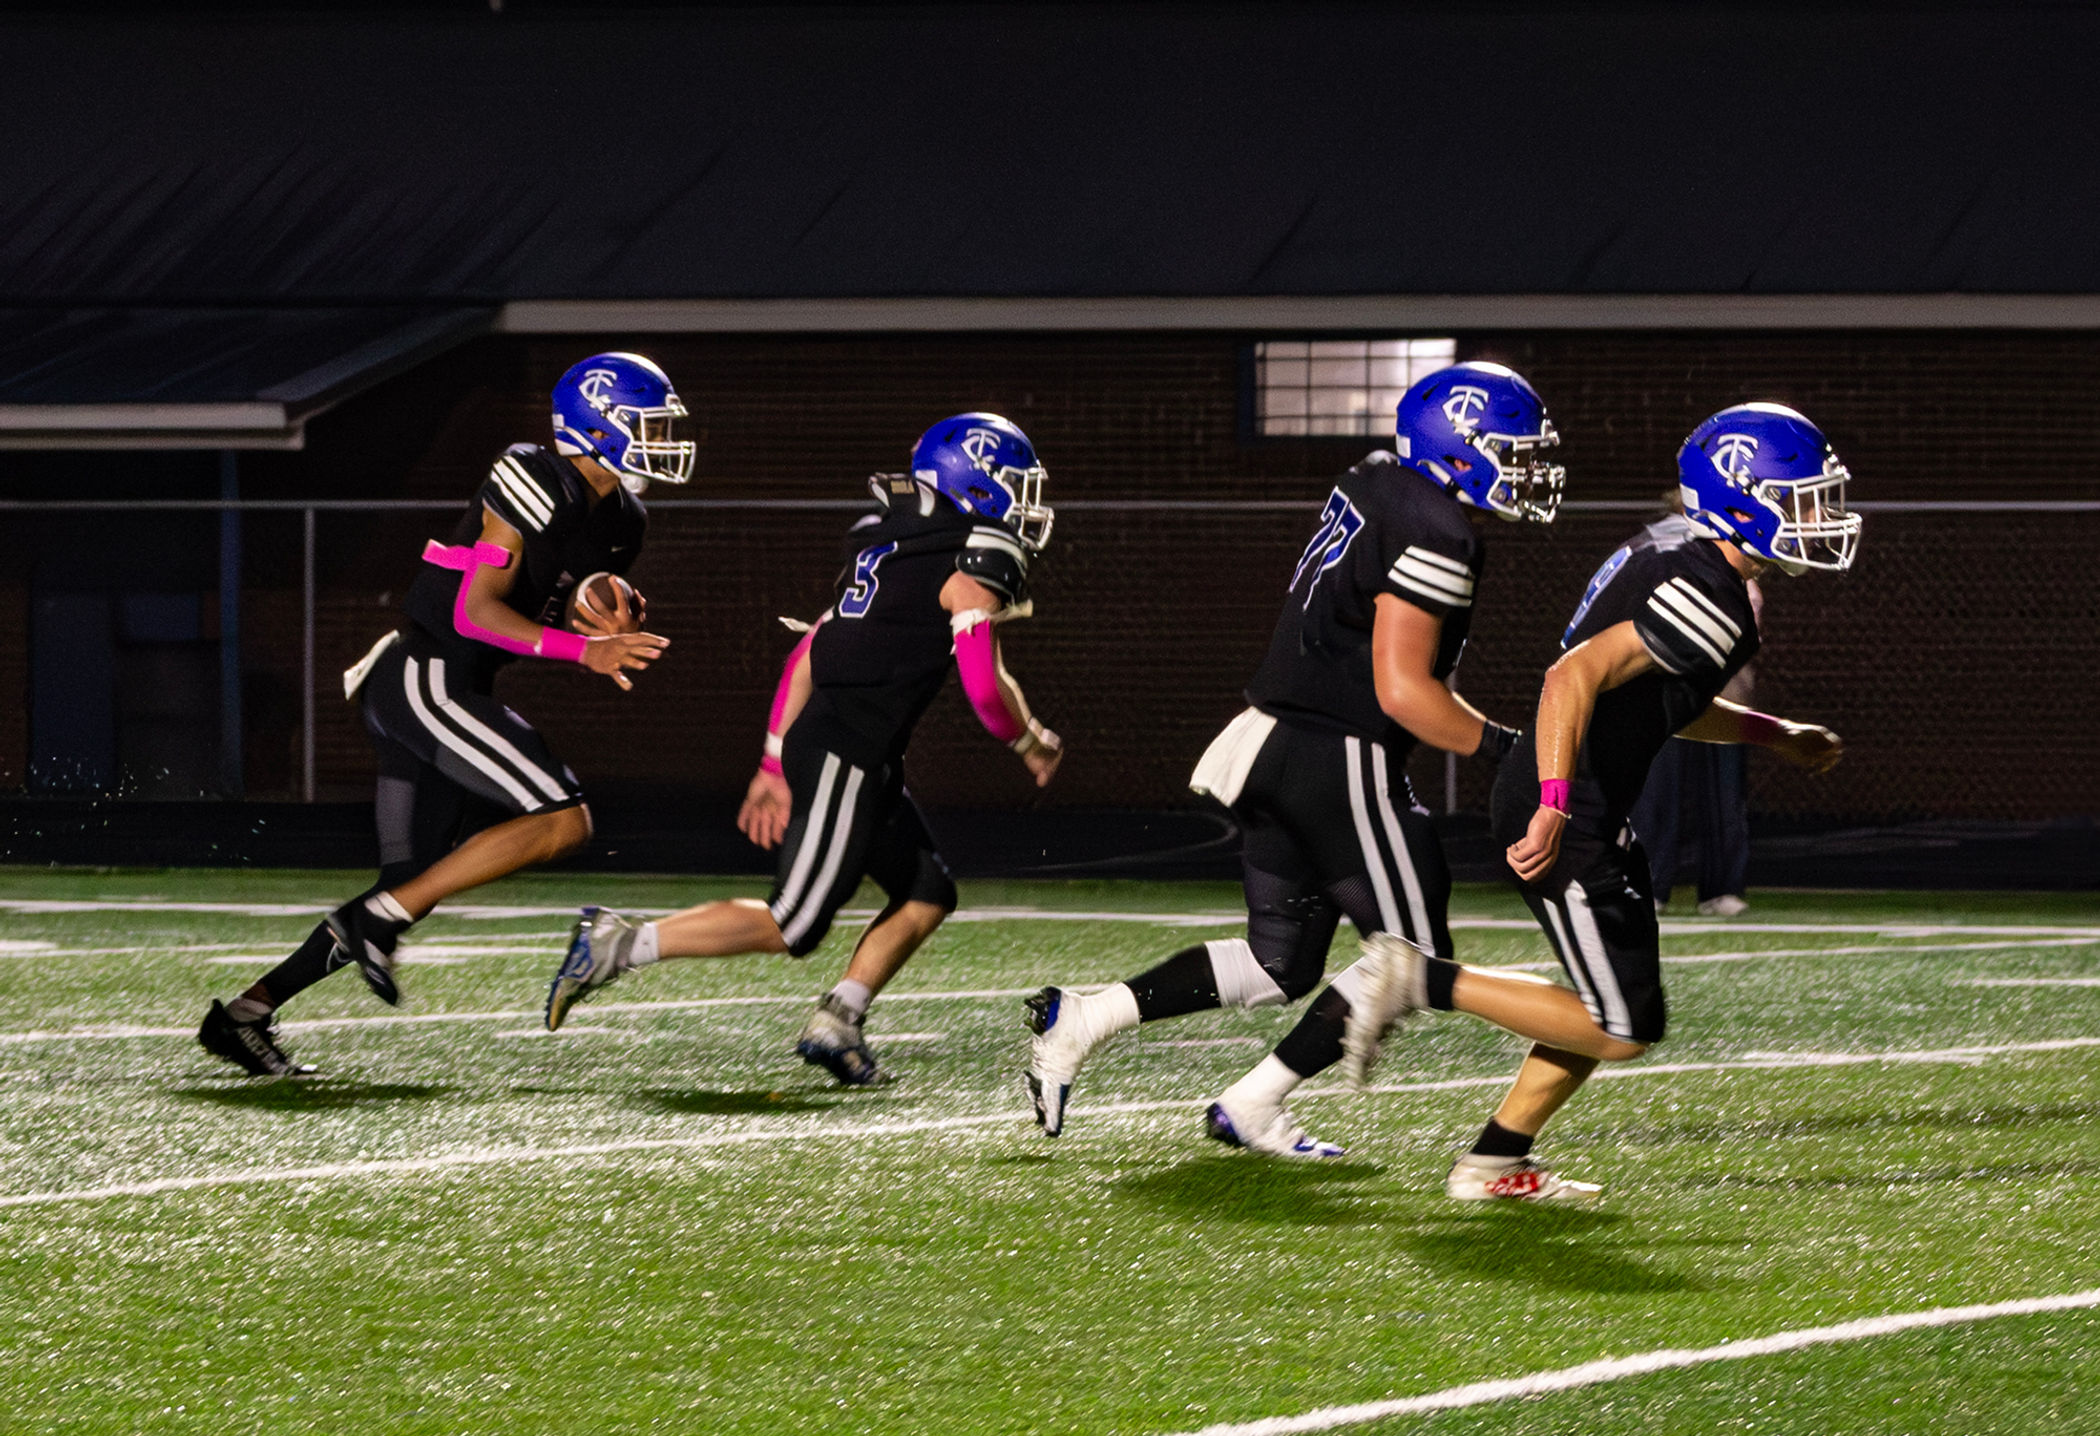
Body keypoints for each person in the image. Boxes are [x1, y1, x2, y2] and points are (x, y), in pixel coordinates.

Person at [1023, 363, 1564, 1157]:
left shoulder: (1375, 480)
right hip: (1337, 755)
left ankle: (1086, 1018)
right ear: (1457, 449)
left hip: (1274, 739)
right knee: (1414, 958)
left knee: (1279, 959)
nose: (1526, 470)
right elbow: (1404, 692)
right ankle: (1253, 1100)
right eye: (1512, 453)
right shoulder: (1437, 528)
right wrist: (1512, 750)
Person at [1343, 402, 1856, 1200]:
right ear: (1742, 499)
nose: (1819, 520)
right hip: (1567, 805)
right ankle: (1417, 979)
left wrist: (1775, 734)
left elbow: (1666, 701)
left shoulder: (1681, 552)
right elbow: (1570, 677)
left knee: (1614, 1002)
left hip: (1581, 799)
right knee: (1621, 1028)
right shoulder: (1709, 589)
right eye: (1801, 501)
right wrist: (1554, 803)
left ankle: (1495, 1161)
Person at [197, 353, 685, 1076]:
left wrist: (600, 620)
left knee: (410, 883)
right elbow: (475, 610)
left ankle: (243, 1016)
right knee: (562, 819)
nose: (662, 439)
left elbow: (553, 600)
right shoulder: (534, 475)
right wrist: (583, 652)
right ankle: (373, 924)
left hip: (452, 682)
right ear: (597, 424)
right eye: (648, 423)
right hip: (426, 675)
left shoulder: (623, 520)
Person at [542, 414, 1062, 1085]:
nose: (1023, 501)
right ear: (976, 482)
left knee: (926, 893)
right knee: (794, 923)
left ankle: (837, 1020)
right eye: (1014, 483)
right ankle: (618, 944)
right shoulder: (971, 557)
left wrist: (772, 759)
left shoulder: (891, 542)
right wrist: (1029, 740)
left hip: (847, 747)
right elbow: (985, 688)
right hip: (848, 751)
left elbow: (810, 650)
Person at [1627, 496, 1764, 916]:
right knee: (1656, 796)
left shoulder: (1736, 569)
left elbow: (1744, 632)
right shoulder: (1659, 563)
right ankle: (1650, 885)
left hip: (1724, 697)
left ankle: (1722, 888)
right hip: (1666, 697)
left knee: (1724, 800)